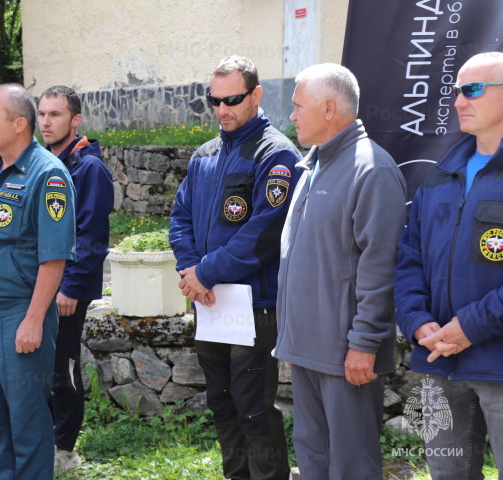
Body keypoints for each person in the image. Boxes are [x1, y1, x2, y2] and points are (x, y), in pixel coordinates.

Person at [169, 55, 301, 480]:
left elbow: (263, 233)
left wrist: (204, 273)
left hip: (254, 304)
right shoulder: (204, 155)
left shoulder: (276, 153)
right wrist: (191, 269)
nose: (222, 109)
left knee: (253, 409)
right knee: (222, 403)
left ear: (256, 95)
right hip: (209, 303)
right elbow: (180, 217)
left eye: (233, 99)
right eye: (215, 100)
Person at [274, 63, 407, 480]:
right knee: (313, 459)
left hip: (346, 355)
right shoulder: (312, 165)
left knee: (351, 466)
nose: (291, 116)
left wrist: (364, 344)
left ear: (329, 108)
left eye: (298, 106)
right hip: (307, 348)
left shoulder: (372, 169)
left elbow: (380, 265)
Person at [0, 83, 76, 480]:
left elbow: (54, 256)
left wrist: (33, 318)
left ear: (20, 124)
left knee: (27, 426)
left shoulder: (48, 175)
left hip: (19, 317)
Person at [395, 52, 503, 479]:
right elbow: (408, 259)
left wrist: (470, 327)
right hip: (438, 359)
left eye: (472, 89)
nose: (459, 101)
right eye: (456, 90)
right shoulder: (441, 174)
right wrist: (417, 321)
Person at [37, 85, 114, 471]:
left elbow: (92, 235)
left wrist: (70, 286)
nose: (47, 122)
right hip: (41, 284)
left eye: (56, 115)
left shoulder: (89, 168)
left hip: (69, 288)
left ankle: (63, 448)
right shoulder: (47, 162)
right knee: (40, 363)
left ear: (75, 120)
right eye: (43, 114)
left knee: (61, 367)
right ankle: (42, 438)